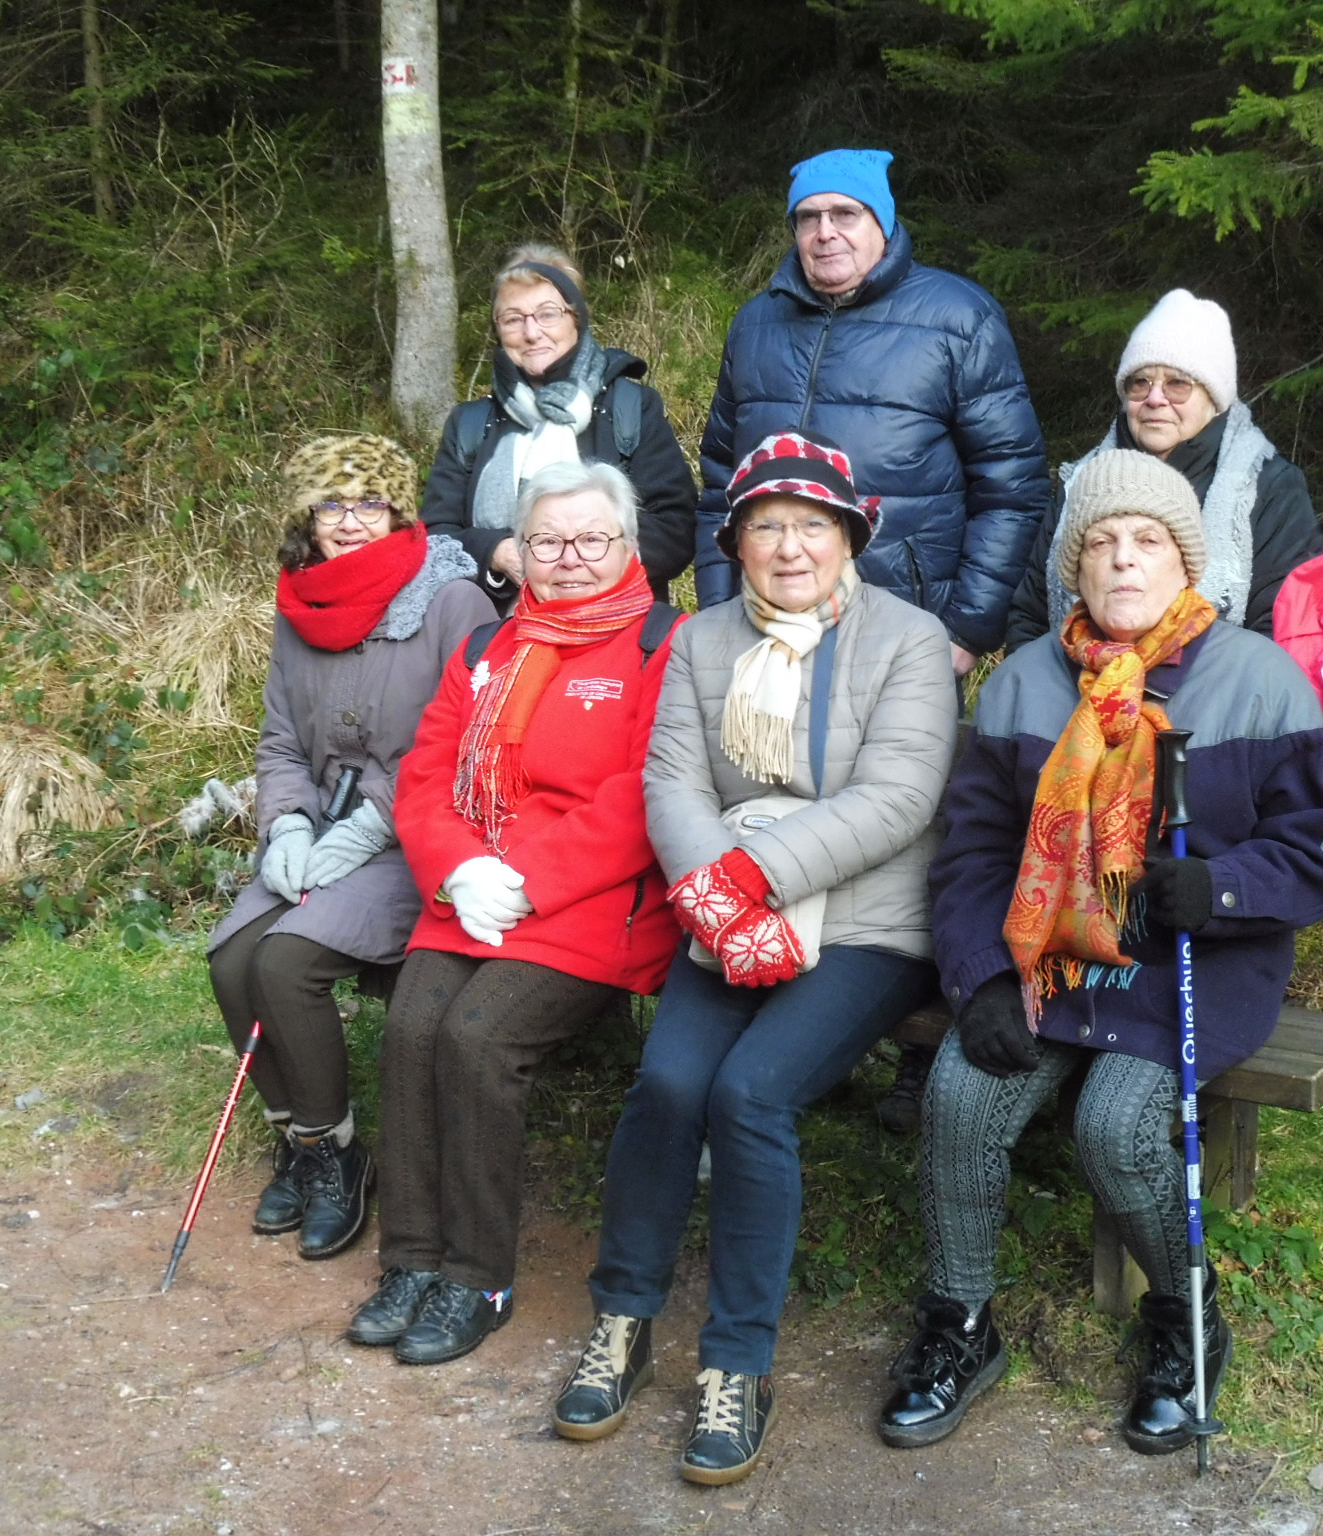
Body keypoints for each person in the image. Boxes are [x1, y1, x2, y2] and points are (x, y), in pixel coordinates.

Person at [876, 449, 1323, 1455]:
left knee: (1113, 1127)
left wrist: (1217, 888)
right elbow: (970, 853)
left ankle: (1184, 1320)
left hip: (1194, 962)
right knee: (961, 1091)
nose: (1123, 563)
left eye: (1146, 542)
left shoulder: (1256, 679)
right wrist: (978, 982)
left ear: (1186, 562)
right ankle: (960, 1322)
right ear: (1071, 570)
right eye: (1099, 544)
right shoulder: (1020, 685)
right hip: (1049, 954)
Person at [552, 429, 956, 1485]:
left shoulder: (907, 641)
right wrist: (717, 899)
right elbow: (673, 785)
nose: (788, 547)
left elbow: (900, 798)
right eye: (766, 525)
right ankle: (623, 1317)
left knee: (751, 1095)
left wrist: (750, 877)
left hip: (867, 921)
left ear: (847, 535)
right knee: (668, 1081)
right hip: (724, 912)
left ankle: (738, 1363)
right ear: (734, 540)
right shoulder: (700, 642)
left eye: (810, 525)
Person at [693, 149, 1048, 1135]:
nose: (825, 235)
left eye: (847, 215)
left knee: (913, 826)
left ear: (883, 223)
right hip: (771, 634)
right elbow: (721, 476)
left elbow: (1013, 483)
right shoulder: (757, 323)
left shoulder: (955, 317)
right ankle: (774, 1022)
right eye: (808, 218)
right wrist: (719, 612)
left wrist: (967, 629)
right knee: (776, 812)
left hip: (906, 635)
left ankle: (906, 1048)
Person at [344, 459, 684, 1366]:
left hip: (590, 900)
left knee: (477, 1037)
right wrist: (458, 871)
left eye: (590, 540)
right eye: (547, 541)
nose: (569, 558)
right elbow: (425, 775)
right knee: (413, 1027)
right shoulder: (486, 648)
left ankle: (478, 1276)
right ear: (519, 552)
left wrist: (527, 878)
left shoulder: (662, 644)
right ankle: (412, 1259)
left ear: (626, 544)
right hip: (474, 890)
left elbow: (645, 793)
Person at [207, 434, 494, 1260]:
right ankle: (304, 1145)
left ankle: (339, 1156)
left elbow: (465, 741)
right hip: (320, 832)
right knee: (232, 962)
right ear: (307, 515)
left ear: (398, 508)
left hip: (418, 839)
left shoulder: (452, 600)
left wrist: (374, 821)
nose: (353, 520)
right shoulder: (300, 602)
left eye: (370, 501)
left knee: (285, 963)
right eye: (333, 503)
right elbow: (277, 740)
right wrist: (287, 823)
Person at [1004, 288, 1323, 649]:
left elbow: (1283, 626)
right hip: (1078, 696)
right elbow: (1030, 615)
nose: (1156, 398)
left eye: (1177, 384)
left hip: (1215, 696)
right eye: (1141, 382)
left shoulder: (1269, 487)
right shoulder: (1084, 482)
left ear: (1214, 398)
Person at [421, 242, 697, 603]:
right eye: (513, 318)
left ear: (576, 319)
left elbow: (676, 527)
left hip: (617, 628)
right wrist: (498, 552)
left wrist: (581, 563)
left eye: (548, 314)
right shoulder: (471, 425)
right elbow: (436, 539)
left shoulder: (630, 409)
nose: (532, 332)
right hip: (495, 630)